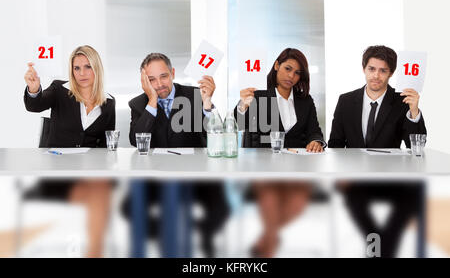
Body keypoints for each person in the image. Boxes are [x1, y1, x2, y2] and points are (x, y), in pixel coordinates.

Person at [122, 53, 229, 257]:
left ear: (172, 73)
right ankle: (167, 236)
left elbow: (216, 136)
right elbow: (136, 141)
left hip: (195, 176)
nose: (159, 84)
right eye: (151, 79)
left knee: (220, 209)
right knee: (129, 207)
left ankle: (197, 234)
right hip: (156, 178)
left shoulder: (195, 95)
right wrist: (152, 102)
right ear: (144, 81)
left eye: (163, 76)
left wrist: (207, 104)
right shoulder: (138, 104)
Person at [328, 45, 426, 257]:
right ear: (364, 69)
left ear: (391, 73)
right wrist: (341, 173)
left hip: (390, 178)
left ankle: (380, 249)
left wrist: (414, 111)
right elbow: (335, 143)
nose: (376, 75)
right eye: (372, 69)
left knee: (415, 192)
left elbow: (415, 145)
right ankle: (381, 248)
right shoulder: (346, 101)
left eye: (383, 70)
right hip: (356, 179)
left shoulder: (402, 103)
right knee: (354, 199)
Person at [23, 45, 116, 258]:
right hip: (57, 175)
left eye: (87, 67)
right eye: (76, 68)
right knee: (99, 197)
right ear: (71, 70)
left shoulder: (109, 102)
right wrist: (34, 89)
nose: (82, 73)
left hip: (89, 176)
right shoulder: (59, 90)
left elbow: (105, 146)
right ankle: (92, 251)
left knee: (101, 191)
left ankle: (90, 251)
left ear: (97, 69)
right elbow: (35, 105)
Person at [234, 48, 326, 257]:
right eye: (287, 69)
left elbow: (315, 131)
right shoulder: (258, 96)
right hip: (264, 168)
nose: (291, 76)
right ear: (276, 66)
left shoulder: (305, 101)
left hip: (297, 169)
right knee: (271, 198)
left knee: (297, 202)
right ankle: (269, 246)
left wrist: (315, 141)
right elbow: (239, 124)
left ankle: (267, 239)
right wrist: (242, 106)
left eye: (297, 73)